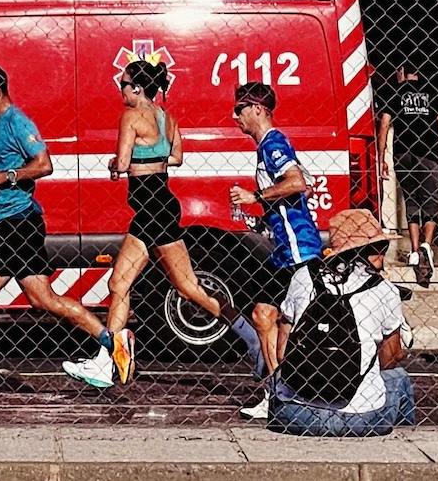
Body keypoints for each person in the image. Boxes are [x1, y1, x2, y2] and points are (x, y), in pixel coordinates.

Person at [0, 64, 131, 402]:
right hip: (12, 222)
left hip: (17, 222)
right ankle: (112, 341)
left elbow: (44, 164)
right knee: (42, 300)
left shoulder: (17, 122)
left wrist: (5, 178)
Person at [64, 55, 264, 389]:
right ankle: (107, 361)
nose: (120, 89)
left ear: (138, 88)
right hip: (155, 205)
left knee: (188, 288)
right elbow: (176, 157)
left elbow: (124, 163)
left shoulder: (131, 116)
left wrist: (117, 164)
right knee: (119, 285)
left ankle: (250, 334)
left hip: (151, 209)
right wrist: (150, 160)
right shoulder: (166, 116)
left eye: (123, 84)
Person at [268, 207, 415, 437]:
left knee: (278, 378)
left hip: (295, 414)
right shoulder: (385, 290)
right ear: (363, 251)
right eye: (379, 247)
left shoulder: (303, 277)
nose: (383, 254)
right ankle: (406, 444)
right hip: (359, 418)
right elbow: (391, 357)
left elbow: (281, 353)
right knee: (400, 379)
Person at [228, 81, 320, 420]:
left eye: (239, 109)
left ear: (257, 110)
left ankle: (289, 395)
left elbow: (297, 182)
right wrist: (258, 221)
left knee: (290, 324)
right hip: (284, 248)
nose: (234, 115)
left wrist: (255, 197)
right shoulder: (265, 148)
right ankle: (278, 394)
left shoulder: (273, 142)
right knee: (263, 316)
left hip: (298, 250)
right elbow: (286, 200)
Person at [377, 62, 438, 288]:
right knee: (430, 201)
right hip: (428, 152)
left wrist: (382, 158)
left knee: (411, 201)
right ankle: (428, 245)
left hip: (403, 153)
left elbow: (384, 124)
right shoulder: (433, 91)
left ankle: (415, 249)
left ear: (402, 72)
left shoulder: (395, 92)